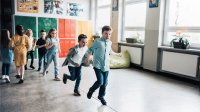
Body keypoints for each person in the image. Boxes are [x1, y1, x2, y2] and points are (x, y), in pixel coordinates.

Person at [87, 26, 121, 105]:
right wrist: (88, 58)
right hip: (97, 65)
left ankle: (101, 96)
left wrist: (117, 54)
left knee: (105, 83)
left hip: (106, 66)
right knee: (100, 82)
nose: (108, 35)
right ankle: (91, 90)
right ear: (102, 33)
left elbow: (110, 51)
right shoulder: (97, 41)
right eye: (106, 33)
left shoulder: (109, 42)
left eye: (109, 34)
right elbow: (90, 50)